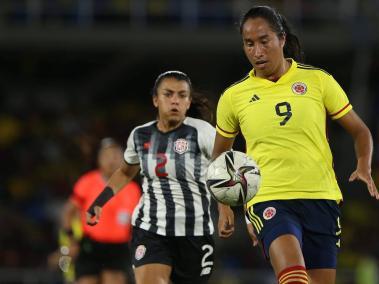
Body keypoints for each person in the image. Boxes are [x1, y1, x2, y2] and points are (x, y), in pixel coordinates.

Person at [212, 5, 379, 284]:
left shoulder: (317, 81)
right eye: (249, 44)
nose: (257, 51)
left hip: (321, 197)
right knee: (293, 276)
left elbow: (361, 131)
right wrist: (225, 206)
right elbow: (220, 155)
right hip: (269, 196)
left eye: (264, 41)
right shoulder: (234, 97)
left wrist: (363, 164)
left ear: (282, 39)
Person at [86, 71, 216, 284]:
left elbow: (224, 172)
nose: (175, 100)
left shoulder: (203, 132)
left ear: (188, 101)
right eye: (168, 94)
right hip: (151, 229)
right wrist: (100, 201)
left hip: (195, 233)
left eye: (182, 95)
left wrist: (226, 207)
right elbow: (126, 172)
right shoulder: (140, 135)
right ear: (156, 99)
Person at [62, 137, 141, 284]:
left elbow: (137, 223)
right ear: (99, 159)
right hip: (91, 245)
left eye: (116, 156)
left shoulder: (133, 189)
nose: (111, 160)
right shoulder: (87, 182)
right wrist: (71, 240)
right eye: (106, 156)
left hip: (118, 249)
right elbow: (68, 212)